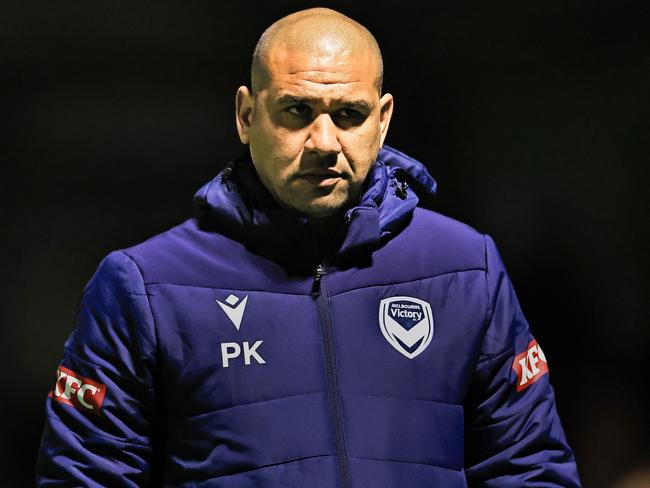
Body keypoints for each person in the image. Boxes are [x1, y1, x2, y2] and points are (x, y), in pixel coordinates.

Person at [36, 7, 581, 487]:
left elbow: (526, 467)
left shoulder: (466, 267)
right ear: (247, 116)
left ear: (383, 119)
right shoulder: (146, 285)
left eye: (349, 114)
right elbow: (87, 475)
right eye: (297, 111)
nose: (324, 142)